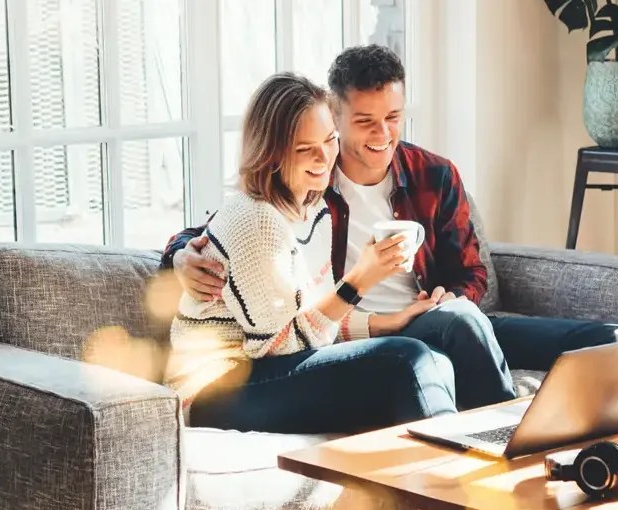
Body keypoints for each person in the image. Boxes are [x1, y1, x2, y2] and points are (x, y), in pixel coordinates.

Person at [161, 45, 618, 412]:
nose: (382, 134)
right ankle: (503, 445)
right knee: (439, 341)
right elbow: (228, 235)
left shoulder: (430, 176)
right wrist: (182, 255)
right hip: (348, 336)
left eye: (393, 118)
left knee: (596, 340)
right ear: (335, 116)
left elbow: (472, 273)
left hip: (422, 317)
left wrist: (445, 300)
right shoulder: (308, 186)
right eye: (364, 122)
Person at [164, 72, 458, 435]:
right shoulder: (257, 220)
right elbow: (278, 345)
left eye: (330, 140)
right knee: (405, 361)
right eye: (305, 149)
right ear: (270, 153)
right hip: (215, 391)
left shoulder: (313, 209)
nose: (324, 156)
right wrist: (359, 281)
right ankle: (454, 478)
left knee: (435, 363)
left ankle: (475, 460)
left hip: (265, 372)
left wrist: (384, 322)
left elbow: (311, 317)